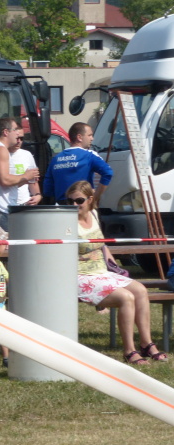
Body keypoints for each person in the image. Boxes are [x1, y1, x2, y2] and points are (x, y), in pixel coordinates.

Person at [69, 180, 167, 365]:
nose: (74, 205)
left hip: (102, 272)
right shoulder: (66, 222)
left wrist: (114, 266)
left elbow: (102, 245)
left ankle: (147, 344)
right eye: (70, 201)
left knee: (140, 290)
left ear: (90, 199)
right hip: (80, 276)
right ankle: (129, 351)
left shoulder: (94, 214)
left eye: (79, 200)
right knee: (126, 297)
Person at [0, 117, 40, 229]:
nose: (17, 134)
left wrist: (25, 181)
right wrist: (26, 176)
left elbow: (2, 184)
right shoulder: (0, 149)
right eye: (15, 130)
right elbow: (4, 180)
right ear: (6, 132)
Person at [44, 122, 114, 205]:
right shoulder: (89, 155)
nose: (92, 138)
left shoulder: (56, 159)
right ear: (79, 137)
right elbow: (108, 172)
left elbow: (47, 189)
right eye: (89, 135)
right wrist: (95, 197)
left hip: (61, 207)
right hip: (82, 204)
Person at [9, 127, 42, 206]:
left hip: (25, 203)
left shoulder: (27, 154)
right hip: (6, 205)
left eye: (21, 138)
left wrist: (37, 195)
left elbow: (33, 180)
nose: (19, 141)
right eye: (16, 138)